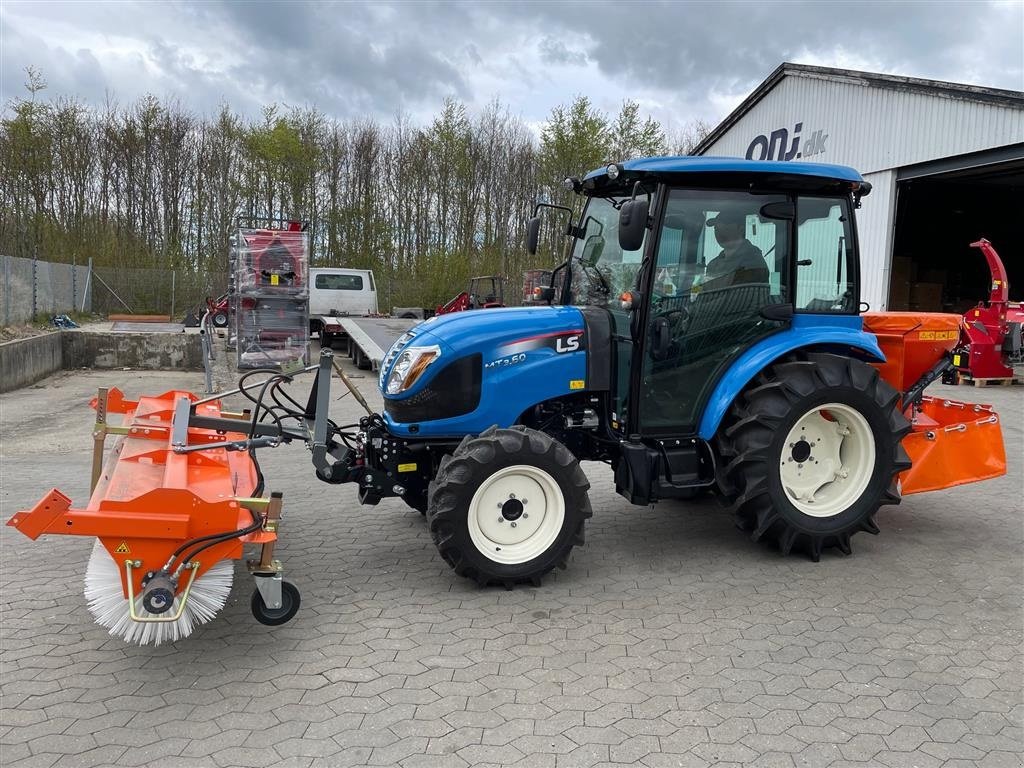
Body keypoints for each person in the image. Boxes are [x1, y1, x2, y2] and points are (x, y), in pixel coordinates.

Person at [701, 211, 768, 292]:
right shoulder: (713, 264)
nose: (719, 233)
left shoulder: (752, 263)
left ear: (741, 229)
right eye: (716, 229)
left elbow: (735, 299)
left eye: (725, 228)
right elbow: (700, 293)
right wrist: (695, 283)